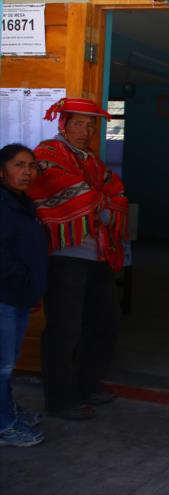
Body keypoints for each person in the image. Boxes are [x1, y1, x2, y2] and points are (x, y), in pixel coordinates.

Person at [28, 98, 128, 420]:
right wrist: (99, 201)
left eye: (90, 125)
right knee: (64, 328)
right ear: (63, 125)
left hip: (97, 253)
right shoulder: (47, 154)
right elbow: (73, 192)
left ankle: (85, 385)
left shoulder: (92, 161)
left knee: (105, 322)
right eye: (77, 124)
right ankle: (60, 399)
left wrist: (99, 201)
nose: (84, 131)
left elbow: (117, 196)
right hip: (64, 255)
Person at [0, 144, 47, 447]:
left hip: (18, 296)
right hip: (4, 295)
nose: (27, 172)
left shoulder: (21, 202)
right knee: (2, 365)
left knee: (8, 363)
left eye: (31, 166)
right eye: (19, 165)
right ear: (2, 171)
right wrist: (23, 280)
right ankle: (4, 425)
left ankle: (7, 411)